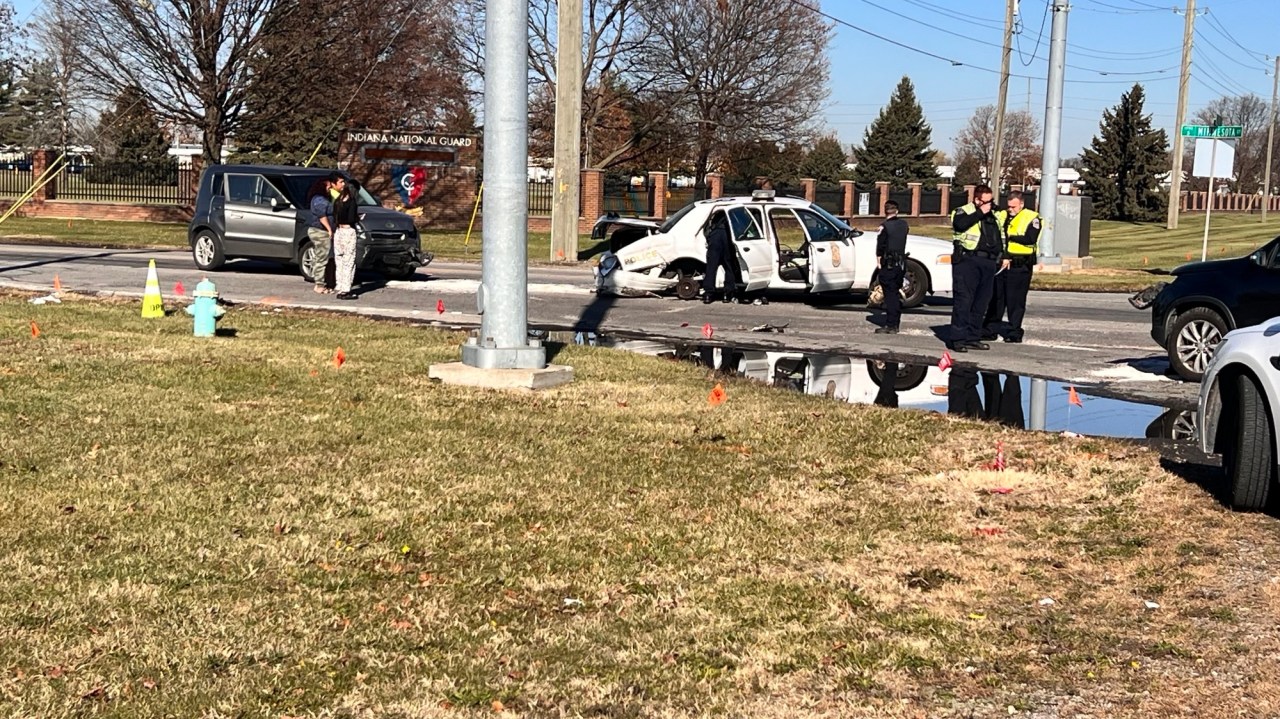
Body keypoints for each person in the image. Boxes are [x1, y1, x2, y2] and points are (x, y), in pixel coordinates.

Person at [948, 185, 1003, 352]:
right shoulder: (962, 211)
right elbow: (960, 225)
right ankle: (958, 339)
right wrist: (980, 212)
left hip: (988, 263)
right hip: (968, 261)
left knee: (981, 302)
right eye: (986, 201)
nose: (990, 204)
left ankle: (973, 337)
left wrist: (1004, 256)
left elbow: (1000, 236)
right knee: (964, 301)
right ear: (977, 200)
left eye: (991, 201)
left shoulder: (994, 215)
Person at [982, 190, 1041, 343]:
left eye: (1014, 207)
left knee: (1016, 301)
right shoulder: (1003, 215)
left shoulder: (1031, 218)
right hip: (1001, 263)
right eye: (1009, 207)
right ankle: (990, 329)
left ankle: (1014, 331)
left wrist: (1011, 236)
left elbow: (1030, 238)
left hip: (1020, 265)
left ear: (1021, 204)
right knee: (996, 299)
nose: (1011, 210)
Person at [874, 199, 910, 334]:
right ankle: (895, 321)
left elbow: (880, 247)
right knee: (895, 292)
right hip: (901, 264)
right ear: (897, 211)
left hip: (889, 264)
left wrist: (878, 263)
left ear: (885, 211)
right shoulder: (904, 224)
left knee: (890, 295)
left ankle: (891, 325)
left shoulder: (884, 227)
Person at [305, 173, 339, 295]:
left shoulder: (324, 199)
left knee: (324, 257)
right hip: (320, 231)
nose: (330, 188)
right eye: (328, 186)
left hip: (322, 231)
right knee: (322, 258)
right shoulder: (319, 200)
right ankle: (319, 285)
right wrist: (329, 229)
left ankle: (325, 282)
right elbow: (322, 216)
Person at [331, 175, 361, 300]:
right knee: (349, 261)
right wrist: (359, 218)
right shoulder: (352, 201)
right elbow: (351, 218)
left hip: (338, 231)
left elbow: (334, 216)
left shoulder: (338, 200)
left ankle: (339, 284)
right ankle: (345, 290)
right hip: (348, 231)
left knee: (339, 259)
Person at [701, 210, 737, 304]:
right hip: (727, 240)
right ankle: (727, 294)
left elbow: (706, 230)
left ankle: (708, 294)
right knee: (729, 267)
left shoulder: (715, 218)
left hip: (714, 240)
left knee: (711, 268)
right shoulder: (732, 218)